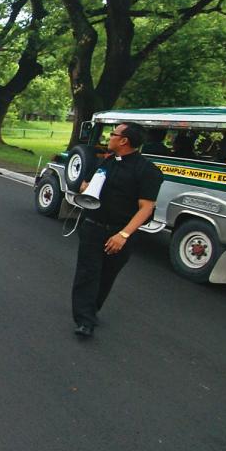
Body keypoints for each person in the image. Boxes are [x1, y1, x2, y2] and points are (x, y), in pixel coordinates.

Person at [72, 122, 163, 338]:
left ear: (124, 141)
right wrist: (86, 188)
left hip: (120, 233)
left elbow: (146, 207)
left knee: (106, 275)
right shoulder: (105, 161)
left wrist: (123, 235)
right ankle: (85, 320)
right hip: (93, 227)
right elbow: (86, 185)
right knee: (88, 273)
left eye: (113, 134)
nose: (109, 137)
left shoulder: (147, 171)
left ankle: (92, 311)